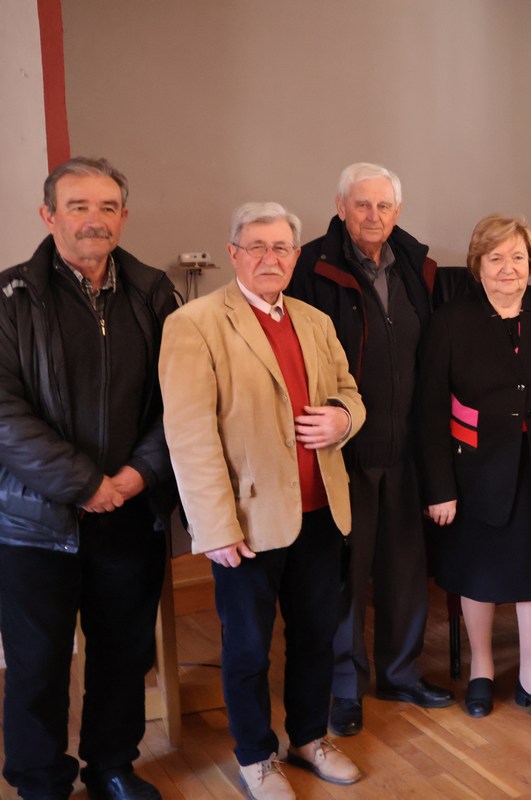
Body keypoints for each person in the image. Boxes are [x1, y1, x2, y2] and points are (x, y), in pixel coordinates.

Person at [161, 203, 366, 800]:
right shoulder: (196, 323)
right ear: (233, 253)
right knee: (248, 647)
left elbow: (349, 391)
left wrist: (343, 418)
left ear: (296, 256)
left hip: (320, 511)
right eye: (256, 246)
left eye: (281, 247)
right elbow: (189, 435)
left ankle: (308, 737)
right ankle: (256, 756)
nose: (269, 258)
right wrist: (214, 526)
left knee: (315, 635)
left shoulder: (314, 320)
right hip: (247, 522)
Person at [0, 157, 177, 800]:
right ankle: (40, 782)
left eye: (107, 207)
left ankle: (111, 766)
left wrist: (135, 476)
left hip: (130, 511)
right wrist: (86, 484)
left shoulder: (154, 292)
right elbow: (4, 413)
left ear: (123, 217)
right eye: (78, 206)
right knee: (38, 666)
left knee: (124, 655)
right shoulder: (10, 297)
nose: (93, 220)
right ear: (49, 215)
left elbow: (179, 399)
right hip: (33, 520)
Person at [286, 162, 451, 738]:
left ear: (397, 211)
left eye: (384, 206)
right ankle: (344, 688)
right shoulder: (310, 267)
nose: (373, 215)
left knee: (405, 571)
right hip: (344, 451)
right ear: (340, 206)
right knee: (346, 577)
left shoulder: (417, 267)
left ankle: (401, 673)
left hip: (407, 448)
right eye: (362, 204)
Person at [420, 215, 531, 724]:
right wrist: (439, 488)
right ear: (478, 265)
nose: (507, 268)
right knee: (479, 574)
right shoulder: (450, 320)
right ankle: (482, 670)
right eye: (495, 258)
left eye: (517, 257)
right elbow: (429, 411)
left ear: (530, 262)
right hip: (473, 474)